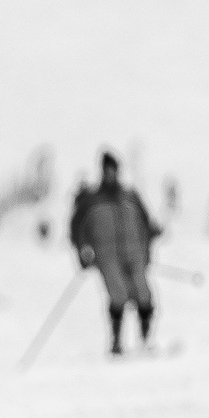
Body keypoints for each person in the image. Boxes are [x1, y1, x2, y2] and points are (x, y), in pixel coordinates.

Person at [69, 150, 161, 354]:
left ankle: (145, 339)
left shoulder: (130, 196)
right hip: (107, 257)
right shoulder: (90, 201)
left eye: (113, 169)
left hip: (134, 254)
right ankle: (116, 342)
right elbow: (77, 230)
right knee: (118, 295)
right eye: (107, 170)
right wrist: (83, 253)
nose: (110, 174)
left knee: (143, 293)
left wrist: (148, 249)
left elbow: (146, 225)